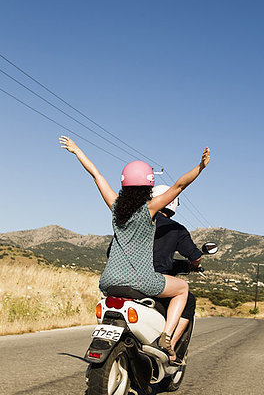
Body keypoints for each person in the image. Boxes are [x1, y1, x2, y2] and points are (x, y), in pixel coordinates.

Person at [59, 136, 210, 361]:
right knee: (182, 289)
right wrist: (200, 167)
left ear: (123, 184)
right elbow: (179, 185)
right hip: (141, 280)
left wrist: (77, 150)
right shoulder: (150, 208)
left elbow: (96, 174)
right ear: (149, 186)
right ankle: (166, 338)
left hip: (109, 280)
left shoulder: (115, 206)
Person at [152, 184, 203, 351]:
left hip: (123, 277)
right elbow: (195, 256)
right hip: (154, 281)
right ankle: (169, 345)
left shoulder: (135, 223)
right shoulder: (176, 229)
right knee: (188, 299)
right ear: (173, 203)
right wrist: (195, 265)